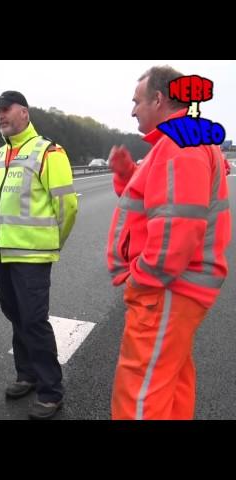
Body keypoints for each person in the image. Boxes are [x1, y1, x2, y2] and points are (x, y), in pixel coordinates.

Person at [106, 66, 232, 420]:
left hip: (166, 290)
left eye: (137, 101)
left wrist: (141, 280)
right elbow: (159, 202)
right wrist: (127, 173)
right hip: (178, 290)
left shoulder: (179, 144)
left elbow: (178, 226)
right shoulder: (179, 140)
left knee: (140, 392)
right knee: (170, 381)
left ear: (159, 99)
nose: (132, 110)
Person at [0, 91, 78, 419]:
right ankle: (26, 374)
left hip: (32, 255)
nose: (0, 115)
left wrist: (53, 242)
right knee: (16, 316)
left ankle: (51, 390)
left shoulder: (48, 152)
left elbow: (67, 206)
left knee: (34, 321)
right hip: (2, 253)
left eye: (6, 109)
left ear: (24, 112)